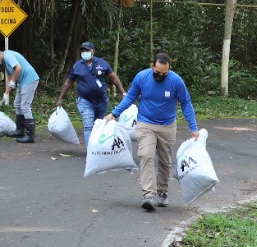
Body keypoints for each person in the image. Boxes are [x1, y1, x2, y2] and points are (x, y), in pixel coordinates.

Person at [106, 52, 199, 212]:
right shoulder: (142, 77)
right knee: (146, 156)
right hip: (145, 123)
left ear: (169, 70)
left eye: (165, 73)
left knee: (165, 161)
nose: (161, 76)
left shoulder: (176, 81)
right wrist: (114, 113)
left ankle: (162, 192)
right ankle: (149, 195)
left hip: (167, 126)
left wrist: (194, 127)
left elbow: (186, 103)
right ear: (152, 66)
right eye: (158, 72)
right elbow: (130, 98)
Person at [55, 41, 125, 146]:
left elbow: (113, 78)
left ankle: (98, 149)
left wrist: (122, 92)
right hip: (85, 100)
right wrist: (61, 98)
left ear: (93, 51)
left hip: (101, 101)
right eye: (83, 50)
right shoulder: (77, 66)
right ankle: (91, 152)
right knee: (88, 126)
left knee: (99, 125)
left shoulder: (102, 63)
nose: (85, 52)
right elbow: (68, 82)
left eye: (87, 50)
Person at [0, 46, 40, 143]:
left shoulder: (7, 55)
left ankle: (30, 135)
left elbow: (18, 68)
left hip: (30, 79)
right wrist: (6, 94)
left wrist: (13, 81)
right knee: (17, 104)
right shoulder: (5, 62)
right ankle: (20, 131)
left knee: (25, 106)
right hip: (22, 82)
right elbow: (10, 77)